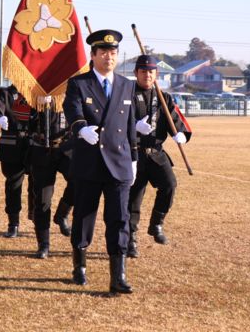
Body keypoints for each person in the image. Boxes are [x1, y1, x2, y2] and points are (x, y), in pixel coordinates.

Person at [62, 29, 138, 295]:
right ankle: (79, 266)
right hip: (89, 161)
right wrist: (80, 127)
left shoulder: (126, 84)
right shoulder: (79, 84)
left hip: (119, 162)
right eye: (103, 52)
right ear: (92, 55)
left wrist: (134, 158)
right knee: (84, 216)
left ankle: (118, 276)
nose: (109, 57)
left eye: (113, 52)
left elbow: (129, 126)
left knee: (119, 219)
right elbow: (71, 108)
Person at [127, 55, 192, 259]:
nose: (147, 75)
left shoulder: (164, 97)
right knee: (133, 200)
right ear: (136, 73)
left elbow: (175, 119)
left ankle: (156, 224)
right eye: (143, 71)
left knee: (169, 185)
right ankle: (130, 240)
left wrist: (179, 133)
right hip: (133, 153)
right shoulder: (125, 94)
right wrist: (134, 127)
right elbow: (116, 120)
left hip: (156, 153)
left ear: (157, 74)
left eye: (151, 72)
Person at [29, 99, 75, 258]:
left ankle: (62, 214)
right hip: (43, 149)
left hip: (66, 147)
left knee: (79, 183)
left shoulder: (72, 90)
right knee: (42, 199)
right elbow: (23, 119)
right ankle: (44, 245)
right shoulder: (36, 91)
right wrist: (37, 105)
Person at [0, 84, 36, 238]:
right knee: (13, 185)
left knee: (37, 183)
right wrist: (0, 117)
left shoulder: (38, 93)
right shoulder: (4, 93)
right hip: (11, 144)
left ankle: (35, 215)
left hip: (33, 144)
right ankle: (13, 223)